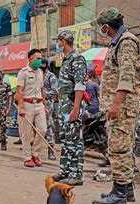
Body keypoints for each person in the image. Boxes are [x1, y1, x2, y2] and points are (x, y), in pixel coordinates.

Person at [92, 7, 140, 204]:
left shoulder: (126, 41)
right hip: (121, 105)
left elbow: (127, 76)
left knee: (118, 148)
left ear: (106, 26)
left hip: (122, 107)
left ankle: (119, 192)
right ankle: (127, 188)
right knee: (124, 147)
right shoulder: (119, 42)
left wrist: (116, 104)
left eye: (101, 28)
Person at [52, 31, 88, 186]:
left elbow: (80, 85)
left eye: (58, 42)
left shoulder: (77, 58)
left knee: (74, 139)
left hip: (72, 106)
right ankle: (65, 170)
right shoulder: (66, 60)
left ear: (63, 42)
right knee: (66, 138)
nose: (58, 45)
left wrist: (75, 108)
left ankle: (76, 174)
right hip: (64, 106)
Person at [16, 49, 47, 167]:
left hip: (39, 104)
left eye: (41, 58)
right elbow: (20, 91)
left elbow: (42, 90)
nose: (40, 60)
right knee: (26, 133)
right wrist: (21, 107)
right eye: (38, 58)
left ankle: (35, 153)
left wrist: (45, 105)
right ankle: (27, 157)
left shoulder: (40, 72)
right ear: (31, 59)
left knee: (43, 129)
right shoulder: (23, 73)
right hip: (27, 104)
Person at [41, 59, 58, 160]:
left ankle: (51, 150)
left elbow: (55, 91)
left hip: (47, 105)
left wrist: (43, 94)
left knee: (48, 127)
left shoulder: (51, 76)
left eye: (42, 63)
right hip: (35, 104)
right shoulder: (36, 74)